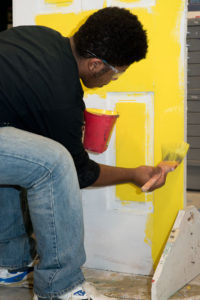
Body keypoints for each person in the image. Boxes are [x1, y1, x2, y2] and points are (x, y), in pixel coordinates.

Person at [0, 7, 172, 300]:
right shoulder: (61, 96)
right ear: (95, 65)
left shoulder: (38, 37)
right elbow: (79, 172)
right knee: (53, 164)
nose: (112, 81)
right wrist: (133, 174)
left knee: (27, 156)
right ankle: (60, 287)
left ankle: (9, 262)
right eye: (115, 75)